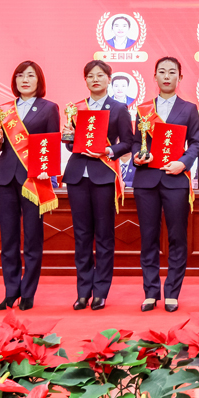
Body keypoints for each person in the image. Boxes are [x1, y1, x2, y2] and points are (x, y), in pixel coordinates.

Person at [131, 56, 199, 313]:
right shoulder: (143, 109)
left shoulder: (189, 109)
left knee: (177, 237)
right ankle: (151, 292)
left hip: (175, 180)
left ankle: (172, 292)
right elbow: (134, 141)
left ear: (180, 78)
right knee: (148, 237)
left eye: (172, 72)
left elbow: (196, 142)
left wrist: (183, 163)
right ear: (155, 77)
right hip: (146, 180)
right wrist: (137, 156)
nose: (167, 76)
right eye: (162, 72)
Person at [0, 61, 60, 312]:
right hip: (5, 178)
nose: (25, 80)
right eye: (20, 76)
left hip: (33, 180)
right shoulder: (4, 109)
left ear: (39, 80)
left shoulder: (49, 108)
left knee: (32, 238)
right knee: (8, 239)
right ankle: (11, 292)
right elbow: (1, 147)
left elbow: (51, 144)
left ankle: (28, 292)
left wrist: (49, 176)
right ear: (15, 81)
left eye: (30, 75)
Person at [62, 60, 133, 311]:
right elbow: (70, 144)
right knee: (81, 236)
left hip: (103, 176)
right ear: (85, 80)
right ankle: (83, 292)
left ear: (108, 79)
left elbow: (128, 142)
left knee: (103, 235)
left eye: (100, 75)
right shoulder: (76, 108)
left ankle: (101, 291)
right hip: (76, 177)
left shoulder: (118, 108)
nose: (95, 79)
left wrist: (108, 150)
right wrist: (68, 136)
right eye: (90, 76)